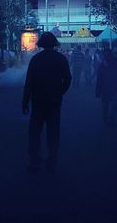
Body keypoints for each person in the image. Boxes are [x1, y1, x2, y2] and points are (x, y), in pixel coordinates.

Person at [22, 32, 72, 174]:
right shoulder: (61, 59)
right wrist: (59, 92)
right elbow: (68, 80)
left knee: (35, 132)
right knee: (53, 133)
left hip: (38, 101)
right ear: (54, 44)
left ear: (41, 44)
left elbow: (29, 83)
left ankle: (34, 161)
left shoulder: (36, 60)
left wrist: (25, 101)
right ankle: (52, 161)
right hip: (55, 102)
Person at [95, 48, 117, 127]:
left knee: (109, 104)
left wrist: (98, 90)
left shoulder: (108, 62)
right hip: (110, 86)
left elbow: (99, 77)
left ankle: (108, 119)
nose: (106, 55)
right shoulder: (108, 62)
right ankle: (109, 119)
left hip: (110, 86)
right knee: (110, 104)